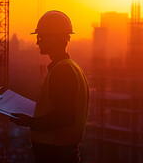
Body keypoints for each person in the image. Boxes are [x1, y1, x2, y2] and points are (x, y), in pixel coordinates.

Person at [11, 10, 89, 163]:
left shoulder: (62, 71)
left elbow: (64, 117)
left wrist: (30, 122)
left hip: (55, 154)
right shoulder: (71, 67)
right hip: (61, 152)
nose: (37, 42)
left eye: (41, 37)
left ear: (54, 38)